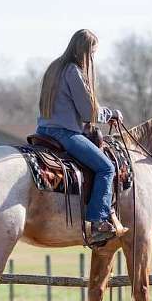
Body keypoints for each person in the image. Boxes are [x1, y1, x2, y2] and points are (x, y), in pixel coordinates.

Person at [36, 29, 126, 245]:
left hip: (43, 131)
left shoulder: (54, 68)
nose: (93, 58)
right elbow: (88, 112)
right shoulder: (73, 71)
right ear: (84, 51)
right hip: (65, 133)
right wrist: (111, 114)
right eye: (92, 54)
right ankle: (97, 221)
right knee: (107, 168)